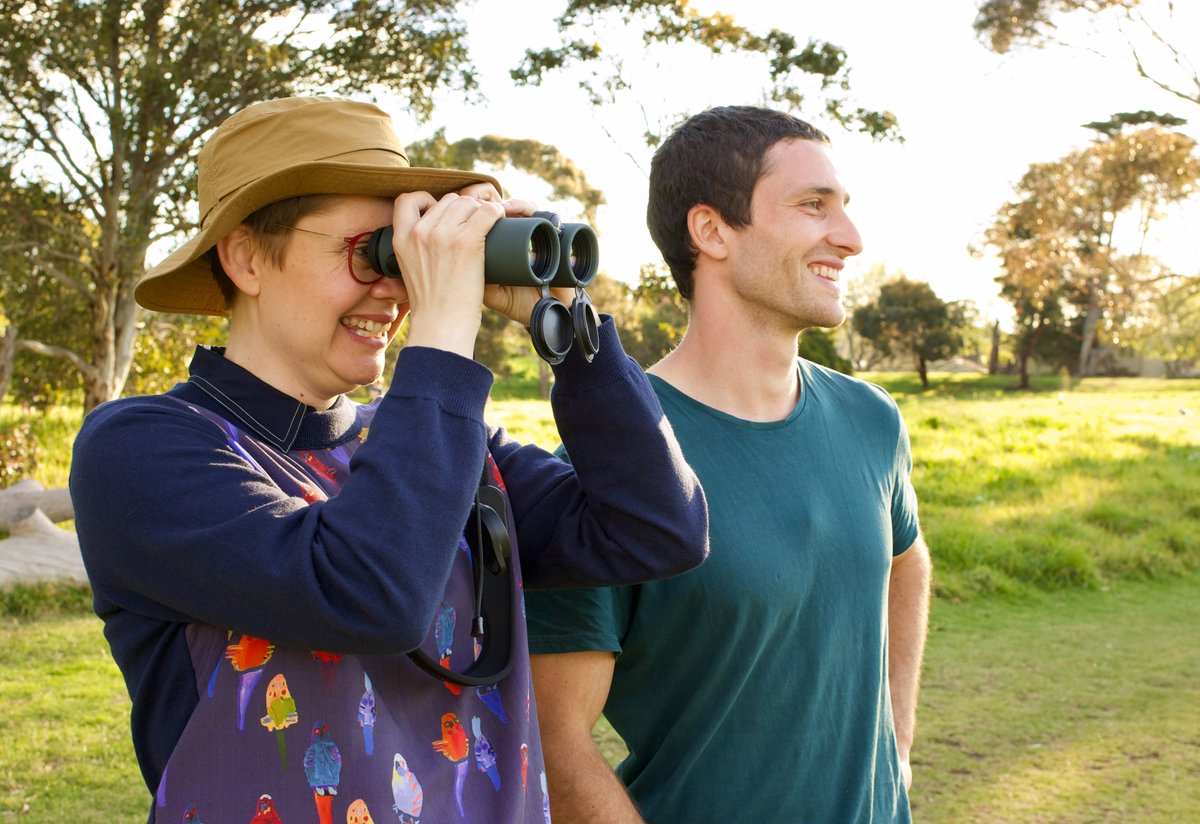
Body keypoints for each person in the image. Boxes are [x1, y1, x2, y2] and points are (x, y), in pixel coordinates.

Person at [69, 95, 708, 824]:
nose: (396, 289)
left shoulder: (440, 444)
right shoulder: (141, 448)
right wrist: (441, 333)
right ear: (246, 257)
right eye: (370, 252)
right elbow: (368, 592)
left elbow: (659, 527)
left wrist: (569, 325)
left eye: (408, 258)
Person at [525, 105, 933, 823]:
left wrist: (897, 744)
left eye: (843, 208)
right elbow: (556, 745)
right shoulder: (612, 462)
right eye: (813, 206)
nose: (850, 237)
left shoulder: (872, 420)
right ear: (711, 231)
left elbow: (908, 561)